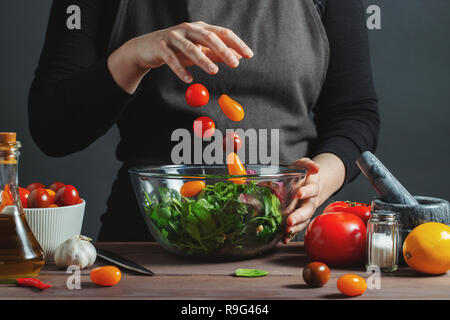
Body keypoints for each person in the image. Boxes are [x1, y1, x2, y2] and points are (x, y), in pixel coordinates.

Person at [28, 0, 379, 243]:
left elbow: (354, 114)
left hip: (287, 245)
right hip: (147, 247)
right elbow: (52, 130)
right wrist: (133, 56)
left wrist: (315, 185)